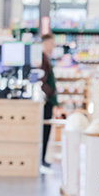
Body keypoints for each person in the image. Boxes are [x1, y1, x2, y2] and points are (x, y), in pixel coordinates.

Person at [40, 33, 58, 170]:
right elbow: (41, 80)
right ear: (45, 43)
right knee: (45, 130)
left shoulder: (45, 58)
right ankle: (41, 160)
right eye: (52, 43)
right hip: (46, 101)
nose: (53, 46)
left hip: (48, 100)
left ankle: (43, 159)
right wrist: (49, 92)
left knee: (46, 130)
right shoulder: (41, 58)